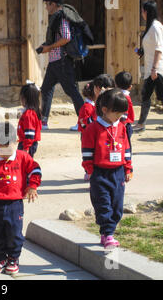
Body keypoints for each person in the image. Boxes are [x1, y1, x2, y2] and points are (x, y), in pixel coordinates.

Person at [0, 122, 41, 275]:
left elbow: (36, 169)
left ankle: (13, 258)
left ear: (16, 142)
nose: (4, 153)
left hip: (15, 203)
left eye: (8, 148)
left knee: (14, 233)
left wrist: (32, 186)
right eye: (0, 148)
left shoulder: (22, 157)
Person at [81, 88, 133, 250]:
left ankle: (107, 233)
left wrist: (128, 167)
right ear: (105, 110)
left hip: (118, 173)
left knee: (117, 206)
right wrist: (90, 170)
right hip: (99, 173)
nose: (121, 117)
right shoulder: (93, 128)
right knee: (103, 204)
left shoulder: (122, 127)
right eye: (117, 113)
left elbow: (126, 148)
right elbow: (87, 151)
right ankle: (108, 233)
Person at [38, 0, 84, 131]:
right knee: (46, 89)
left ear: (53, 4)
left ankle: (84, 121)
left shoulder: (62, 18)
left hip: (62, 61)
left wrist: (49, 47)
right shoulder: (56, 18)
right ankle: (44, 122)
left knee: (72, 91)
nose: (46, 7)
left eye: (47, 4)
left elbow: (66, 37)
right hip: (55, 61)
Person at [133, 1, 163, 132]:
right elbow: (151, 46)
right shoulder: (151, 26)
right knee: (146, 95)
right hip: (151, 68)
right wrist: (141, 51)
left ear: (147, 12)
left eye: (142, 11)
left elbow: (159, 48)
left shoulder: (156, 27)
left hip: (157, 68)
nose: (142, 13)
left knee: (157, 96)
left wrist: (154, 68)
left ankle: (141, 124)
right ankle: (141, 124)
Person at [77, 81, 101, 181]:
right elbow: (83, 122)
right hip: (87, 134)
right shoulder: (87, 107)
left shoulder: (92, 105)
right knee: (88, 153)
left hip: (91, 133)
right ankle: (88, 172)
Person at [17, 83, 42, 157]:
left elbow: (29, 133)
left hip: (27, 144)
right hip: (28, 143)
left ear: (25, 99)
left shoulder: (29, 114)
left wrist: (26, 148)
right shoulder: (33, 112)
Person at [115, 71, 135, 152]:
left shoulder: (118, 96)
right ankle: (127, 160)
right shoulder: (126, 97)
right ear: (130, 87)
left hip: (121, 124)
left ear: (115, 85)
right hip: (125, 125)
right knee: (126, 146)